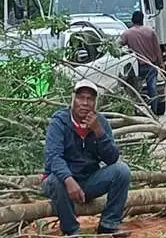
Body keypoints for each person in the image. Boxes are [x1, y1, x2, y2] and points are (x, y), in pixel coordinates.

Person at [43, 79, 132, 237]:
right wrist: (69, 180)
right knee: (54, 180)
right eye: (81, 98)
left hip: (88, 181)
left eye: (89, 99)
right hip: (61, 183)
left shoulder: (100, 122)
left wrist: (99, 132)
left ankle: (108, 225)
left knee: (122, 171)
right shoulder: (59, 122)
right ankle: (72, 231)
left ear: (94, 103)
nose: (84, 103)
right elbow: (53, 157)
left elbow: (112, 158)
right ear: (73, 100)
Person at [119, 11, 164, 113]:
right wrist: (161, 63)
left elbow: (117, 45)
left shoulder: (127, 33)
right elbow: (157, 49)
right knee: (152, 88)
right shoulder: (150, 32)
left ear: (132, 20)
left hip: (136, 67)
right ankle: (154, 111)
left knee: (135, 90)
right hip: (151, 65)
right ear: (142, 19)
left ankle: (136, 110)